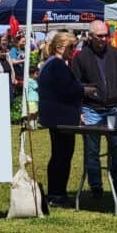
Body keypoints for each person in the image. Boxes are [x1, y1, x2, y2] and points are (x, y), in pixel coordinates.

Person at [71, 20, 117, 199]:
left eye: (106, 35)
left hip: (114, 108)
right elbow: (75, 85)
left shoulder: (116, 54)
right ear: (90, 36)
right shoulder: (80, 58)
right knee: (91, 150)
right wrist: (78, 109)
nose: (104, 39)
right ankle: (96, 187)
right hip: (91, 109)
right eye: (100, 36)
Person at [38, 32, 93, 207]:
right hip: (60, 117)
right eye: (71, 47)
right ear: (60, 47)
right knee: (62, 155)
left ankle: (56, 192)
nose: (73, 50)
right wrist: (84, 90)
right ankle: (57, 194)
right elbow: (66, 90)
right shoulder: (57, 65)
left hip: (56, 116)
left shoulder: (52, 64)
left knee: (59, 155)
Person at [26, 64, 40, 129]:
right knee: (32, 113)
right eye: (36, 74)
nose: (37, 75)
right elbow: (37, 88)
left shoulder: (34, 80)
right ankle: (30, 124)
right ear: (31, 74)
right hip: (32, 99)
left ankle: (34, 125)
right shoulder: (30, 81)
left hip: (35, 99)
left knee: (36, 112)